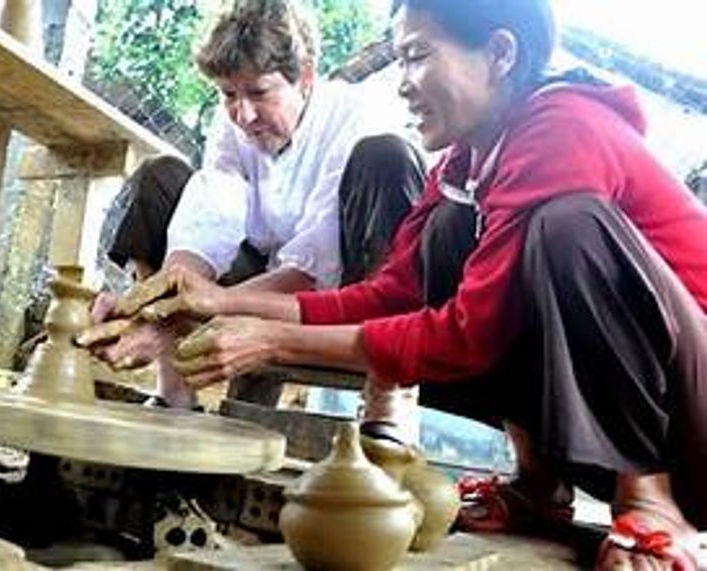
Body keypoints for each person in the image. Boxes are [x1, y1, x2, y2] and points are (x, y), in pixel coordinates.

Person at [81, 0, 707, 567]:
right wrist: (218, 300)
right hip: (640, 408)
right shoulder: (466, 162)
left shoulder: (564, 127)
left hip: (693, 418)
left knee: (569, 227)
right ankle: (538, 487)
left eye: (417, 56)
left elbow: (466, 336)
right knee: (446, 237)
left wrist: (271, 341)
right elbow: (392, 292)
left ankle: (651, 501)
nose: (403, 81)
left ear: (500, 54)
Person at [93, 0, 425, 415]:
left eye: (259, 92)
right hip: (256, 279)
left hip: (340, 290)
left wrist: (186, 315)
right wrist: (155, 304)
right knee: (159, 178)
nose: (243, 114)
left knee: (387, 156)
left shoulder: (354, 115)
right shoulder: (231, 121)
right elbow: (211, 212)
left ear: (304, 76)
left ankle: (386, 399)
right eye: (228, 94)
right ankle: (173, 391)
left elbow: (314, 266)